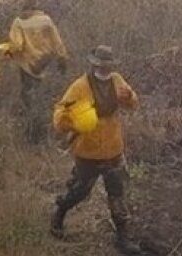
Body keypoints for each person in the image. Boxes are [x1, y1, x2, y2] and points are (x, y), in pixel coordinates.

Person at [50, 45, 139, 252]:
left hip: (113, 147)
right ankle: (59, 213)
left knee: (117, 193)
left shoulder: (117, 80)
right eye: (101, 64)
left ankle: (123, 238)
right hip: (88, 150)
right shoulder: (80, 86)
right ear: (94, 63)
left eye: (108, 64)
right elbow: (60, 112)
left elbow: (132, 103)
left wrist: (129, 97)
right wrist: (70, 122)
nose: (105, 68)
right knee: (80, 191)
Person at [0, 0, 69, 143]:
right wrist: (62, 59)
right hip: (46, 63)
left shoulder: (19, 22)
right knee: (44, 97)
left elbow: (17, 45)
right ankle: (48, 129)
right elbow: (57, 43)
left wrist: (8, 52)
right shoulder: (46, 20)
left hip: (28, 66)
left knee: (29, 97)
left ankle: (34, 132)